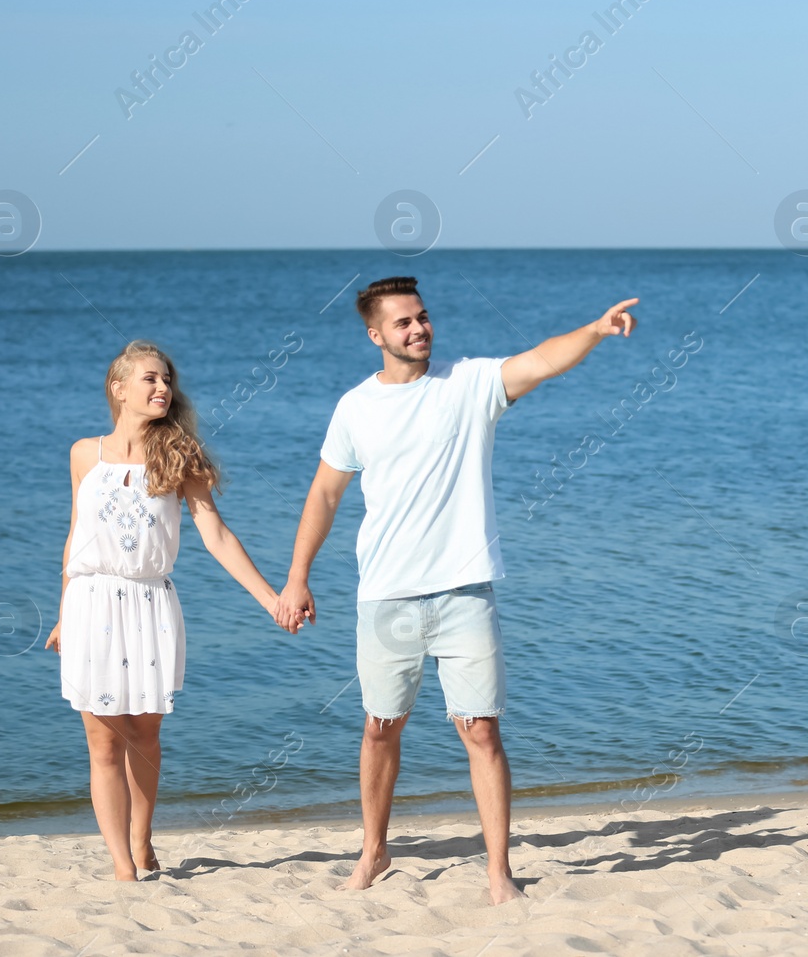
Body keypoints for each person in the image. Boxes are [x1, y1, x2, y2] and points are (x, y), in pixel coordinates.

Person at [273, 276, 637, 905]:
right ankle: (374, 853)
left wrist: (595, 331)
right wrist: (298, 575)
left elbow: (542, 360)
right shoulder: (355, 407)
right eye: (403, 323)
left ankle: (499, 872)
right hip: (385, 594)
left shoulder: (469, 384)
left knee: (481, 731)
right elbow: (325, 494)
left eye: (423, 317)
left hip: (464, 591)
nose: (418, 329)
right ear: (375, 334)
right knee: (381, 727)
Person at [46, 340, 293, 881]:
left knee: (146, 734)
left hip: (149, 602)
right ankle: (122, 867)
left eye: (167, 380)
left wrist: (271, 597)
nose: (163, 389)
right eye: (150, 379)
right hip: (90, 602)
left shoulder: (180, 455)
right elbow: (75, 536)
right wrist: (64, 609)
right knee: (101, 741)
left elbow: (217, 535)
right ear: (119, 389)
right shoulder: (84, 453)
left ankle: (141, 838)